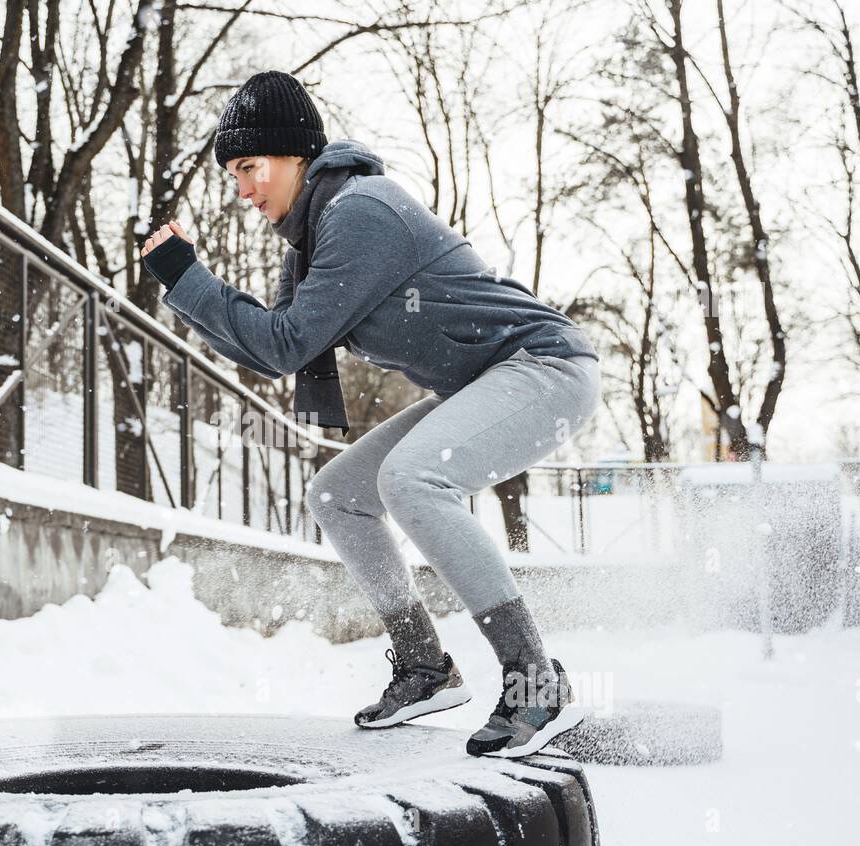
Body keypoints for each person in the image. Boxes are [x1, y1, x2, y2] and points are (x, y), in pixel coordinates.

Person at [139, 70, 600, 758]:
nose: (243, 189)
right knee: (338, 494)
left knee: (412, 479)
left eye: (248, 167)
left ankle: (536, 683)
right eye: (234, 173)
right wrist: (187, 282)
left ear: (295, 154)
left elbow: (289, 341)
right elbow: (274, 350)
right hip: (489, 380)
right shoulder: (314, 237)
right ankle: (422, 668)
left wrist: (191, 278)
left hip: (546, 367)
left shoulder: (360, 211)